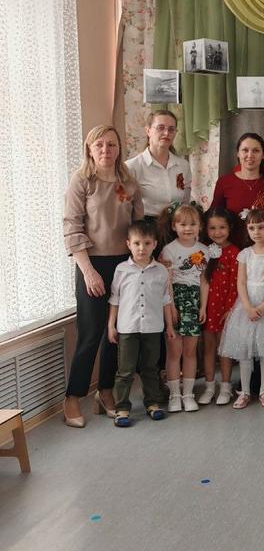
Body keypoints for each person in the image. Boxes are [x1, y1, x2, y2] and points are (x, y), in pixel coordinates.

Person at [63, 125, 144, 427]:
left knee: (116, 333)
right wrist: (88, 272)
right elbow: (72, 227)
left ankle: (106, 391)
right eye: (99, 145)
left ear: (119, 149)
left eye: (111, 145)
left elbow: (138, 227)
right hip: (92, 264)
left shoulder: (129, 183)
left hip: (124, 265)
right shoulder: (82, 181)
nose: (105, 150)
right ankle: (73, 397)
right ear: (89, 149)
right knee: (91, 333)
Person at [106, 220, 174, 427]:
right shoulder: (121, 270)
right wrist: (111, 325)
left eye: (146, 243)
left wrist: (170, 326)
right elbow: (115, 299)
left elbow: (165, 300)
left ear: (155, 244)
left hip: (153, 327)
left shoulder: (161, 271)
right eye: (136, 243)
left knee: (150, 368)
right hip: (127, 328)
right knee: (125, 371)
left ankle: (152, 403)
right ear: (128, 244)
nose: (141, 248)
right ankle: (122, 408)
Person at [219, 206, 264, 409]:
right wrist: (248, 307)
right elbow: (240, 282)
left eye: (261, 227)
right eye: (251, 228)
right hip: (246, 306)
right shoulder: (245, 254)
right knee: (245, 350)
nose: (256, 232)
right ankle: (245, 392)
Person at [159, 203, 209, 413]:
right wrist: (171, 308)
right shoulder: (169, 250)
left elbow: (204, 281)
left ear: (200, 226)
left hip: (194, 301)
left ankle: (188, 394)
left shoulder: (204, 250)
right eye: (183, 224)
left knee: (190, 351)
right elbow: (166, 282)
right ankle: (174, 395)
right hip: (174, 301)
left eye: (193, 224)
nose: (188, 228)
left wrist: (203, 307)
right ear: (174, 226)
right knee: (174, 351)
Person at [197, 207, 238, 406]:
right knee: (209, 348)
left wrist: (230, 310)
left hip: (226, 309)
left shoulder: (235, 253)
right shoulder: (204, 251)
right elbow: (202, 280)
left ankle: (226, 387)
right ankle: (209, 386)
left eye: (222, 227)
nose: (217, 232)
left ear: (230, 228)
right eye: (212, 228)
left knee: (224, 349)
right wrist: (203, 307)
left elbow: (235, 284)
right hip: (209, 308)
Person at [211, 132, 264, 246]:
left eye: (256, 151)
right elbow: (214, 216)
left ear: (263, 155)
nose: (250, 155)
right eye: (245, 150)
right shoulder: (224, 182)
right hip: (232, 248)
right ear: (238, 153)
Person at [125, 110, 191, 220]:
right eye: (160, 128)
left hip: (176, 225)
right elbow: (125, 208)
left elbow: (185, 201)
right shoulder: (131, 167)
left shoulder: (183, 165)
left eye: (171, 129)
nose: (166, 133)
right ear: (148, 131)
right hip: (146, 226)